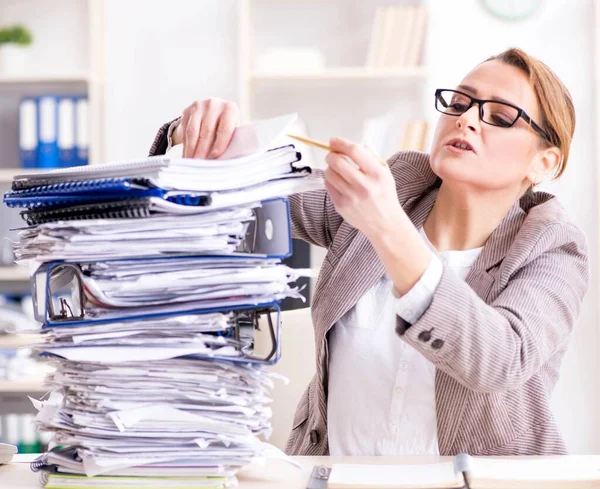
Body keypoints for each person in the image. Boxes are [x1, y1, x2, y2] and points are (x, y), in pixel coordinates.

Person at [149, 48, 590, 456]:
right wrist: (192, 138)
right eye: (459, 104)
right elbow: (249, 192)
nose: (467, 120)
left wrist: (387, 226)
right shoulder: (394, 186)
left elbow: (499, 359)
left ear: (544, 163)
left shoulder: (553, 246)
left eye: (499, 115)